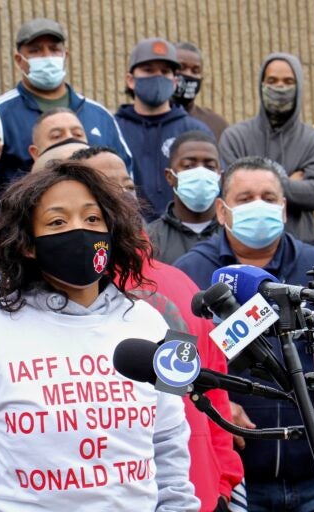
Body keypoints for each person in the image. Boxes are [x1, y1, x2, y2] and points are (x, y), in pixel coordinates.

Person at [0, 161, 198, 511]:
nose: (80, 231)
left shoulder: (151, 324)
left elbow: (170, 441)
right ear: (28, 244)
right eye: (58, 222)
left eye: (92, 219)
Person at [174, 156, 314, 512]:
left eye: (268, 197)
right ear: (221, 210)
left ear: (283, 208)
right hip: (239, 480)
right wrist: (216, 405)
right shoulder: (189, 273)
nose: (257, 206)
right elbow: (173, 372)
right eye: (245, 199)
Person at [70, 145, 244, 511]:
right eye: (106, 186)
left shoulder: (178, 285)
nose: (123, 196)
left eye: (128, 186)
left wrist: (223, 480)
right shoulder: (61, 294)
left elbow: (211, 394)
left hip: (196, 493)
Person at [0, 18, 133, 206]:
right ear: (19, 59)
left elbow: (126, 178)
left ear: (64, 55)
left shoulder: (99, 115)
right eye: (35, 50)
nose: (46, 56)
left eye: (53, 49)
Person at [219, 52, 314, 241]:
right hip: (241, 245)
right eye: (272, 80)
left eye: (288, 81)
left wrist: (252, 186)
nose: (280, 87)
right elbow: (229, 190)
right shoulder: (235, 137)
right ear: (261, 85)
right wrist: (289, 182)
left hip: (299, 245)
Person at [115, 37, 214, 222]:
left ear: (175, 81)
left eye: (165, 71)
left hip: (183, 232)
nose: (158, 76)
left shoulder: (195, 131)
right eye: (148, 70)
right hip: (129, 237)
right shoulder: (114, 128)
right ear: (130, 80)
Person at [147, 130, 222, 264]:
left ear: (220, 176)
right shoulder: (150, 239)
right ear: (170, 176)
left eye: (209, 166)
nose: (201, 172)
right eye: (188, 166)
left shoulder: (235, 235)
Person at [172, 42, 229, 140]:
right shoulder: (151, 119)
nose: (189, 74)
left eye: (195, 71)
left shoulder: (216, 124)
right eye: (181, 68)